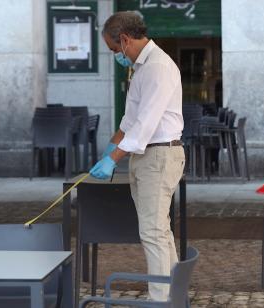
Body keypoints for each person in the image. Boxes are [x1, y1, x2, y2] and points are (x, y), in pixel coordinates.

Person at [89, 11, 185, 301]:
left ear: (125, 39)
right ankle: (172, 296)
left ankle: (161, 300)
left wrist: (113, 158)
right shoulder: (142, 68)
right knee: (160, 232)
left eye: (114, 49)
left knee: (153, 233)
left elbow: (146, 124)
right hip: (148, 157)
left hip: (159, 156)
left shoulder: (157, 67)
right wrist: (109, 148)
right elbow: (129, 121)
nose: (115, 55)